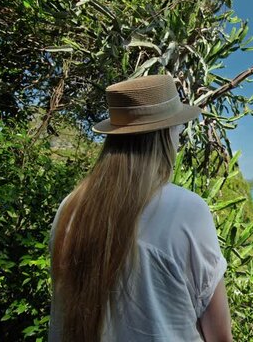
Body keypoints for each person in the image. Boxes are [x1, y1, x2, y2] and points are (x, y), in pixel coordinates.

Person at [48, 75, 232, 341]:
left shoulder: (70, 208)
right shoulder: (187, 211)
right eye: (178, 131)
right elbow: (219, 336)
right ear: (166, 136)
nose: (178, 143)